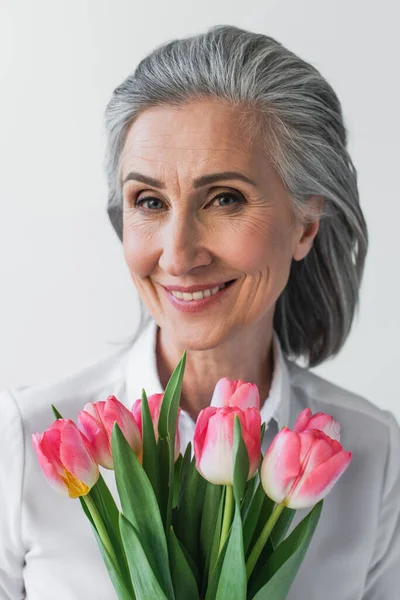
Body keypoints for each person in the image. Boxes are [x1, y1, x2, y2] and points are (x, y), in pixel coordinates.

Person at [0, 24, 399, 600]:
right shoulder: (28, 439)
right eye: (149, 202)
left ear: (305, 225)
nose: (179, 254)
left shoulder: (374, 455)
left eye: (225, 199)